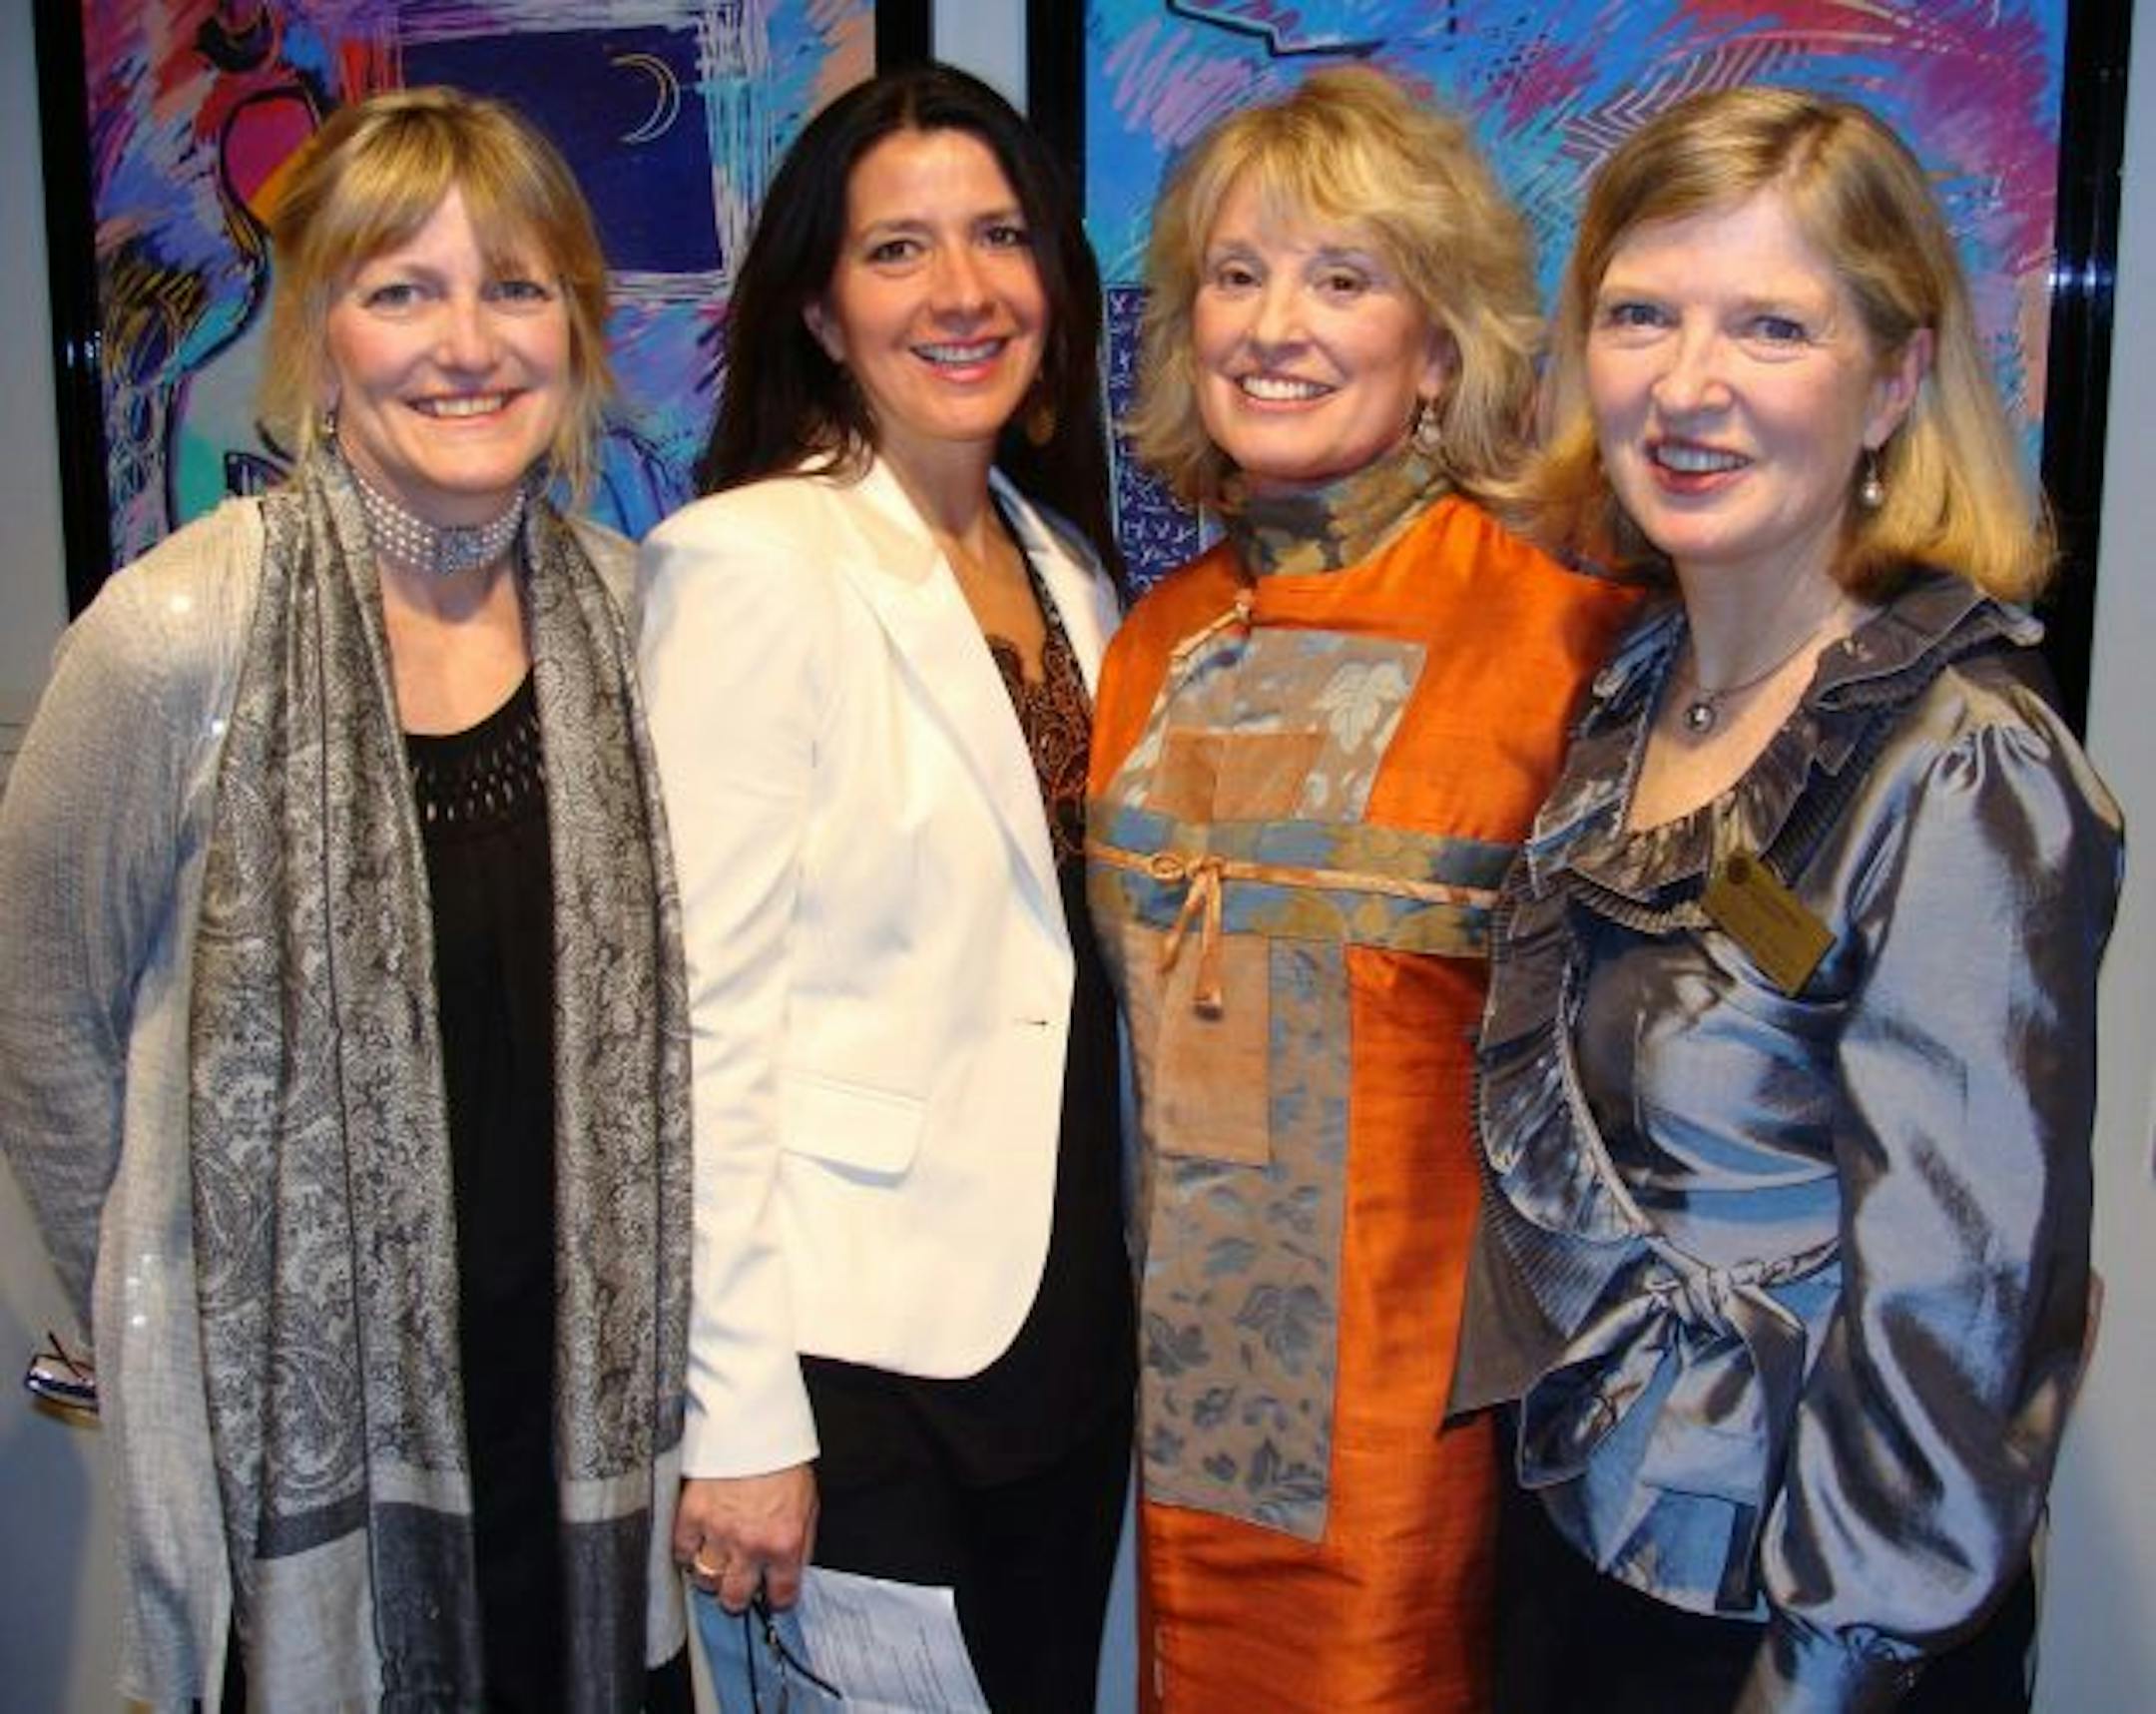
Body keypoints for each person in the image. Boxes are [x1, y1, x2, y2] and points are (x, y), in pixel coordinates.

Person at [0, 88, 693, 1710]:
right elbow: (44, 1025)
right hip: (303, 1494)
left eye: (515, 287)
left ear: (577, 329)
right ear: (319, 330)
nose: (467, 342)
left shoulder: (645, 622)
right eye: (402, 290)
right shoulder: (176, 638)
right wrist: (155, 1306)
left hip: (592, 1446)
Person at [1453, 86, 2124, 1714]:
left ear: (1894, 379)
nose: (1689, 385)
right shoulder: (1634, 688)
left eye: (1770, 325)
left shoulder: (1958, 766)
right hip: (1580, 1556)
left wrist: (1815, 1674)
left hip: (1801, 1631)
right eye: (1640, 315)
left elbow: (1955, 1326)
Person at [1086, 67, 1639, 1711]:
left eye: (1344, 278)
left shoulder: (1563, 638)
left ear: (1443, 344)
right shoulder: (1153, 641)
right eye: (1237, 278)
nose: (1276, 324)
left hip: (1434, 1432)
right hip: (1175, 1420)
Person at [636, 62, 1133, 1713]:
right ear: (823, 313)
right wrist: (741, 1414)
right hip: (852, 1367)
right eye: (899, 248)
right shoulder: (753, 562)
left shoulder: (1071, 571)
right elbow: (696, 1021)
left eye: (999, 236)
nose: (964, 287)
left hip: (1062, 1326)